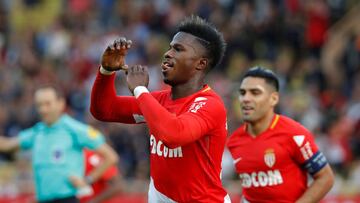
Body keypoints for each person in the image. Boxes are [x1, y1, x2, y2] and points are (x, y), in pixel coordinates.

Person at [90, 15, 230, 202]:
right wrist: (106, 72)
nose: (168, 53)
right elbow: (103, 110)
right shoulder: (158, 101)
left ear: (201, 63)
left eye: (178, 49)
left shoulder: (210, 104)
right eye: (170, 47)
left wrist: (140, 89)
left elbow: (173, 135)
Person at [227, 67, 334, 203]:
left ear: (273, 99)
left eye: (255, 93)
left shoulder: (294, 133)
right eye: (242, 93)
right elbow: (251, 187)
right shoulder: (235, 141)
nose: (246, 99)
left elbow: (326, 177)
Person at [0, 85, 119, 203]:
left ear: (60, 104)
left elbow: (111, 156)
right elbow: (7, 145)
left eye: (47, 104)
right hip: (44, 199)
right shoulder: (37, 132)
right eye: (39, 105)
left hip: (67, 198)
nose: (43, 109)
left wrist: (87, 180)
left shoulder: (74, 129)